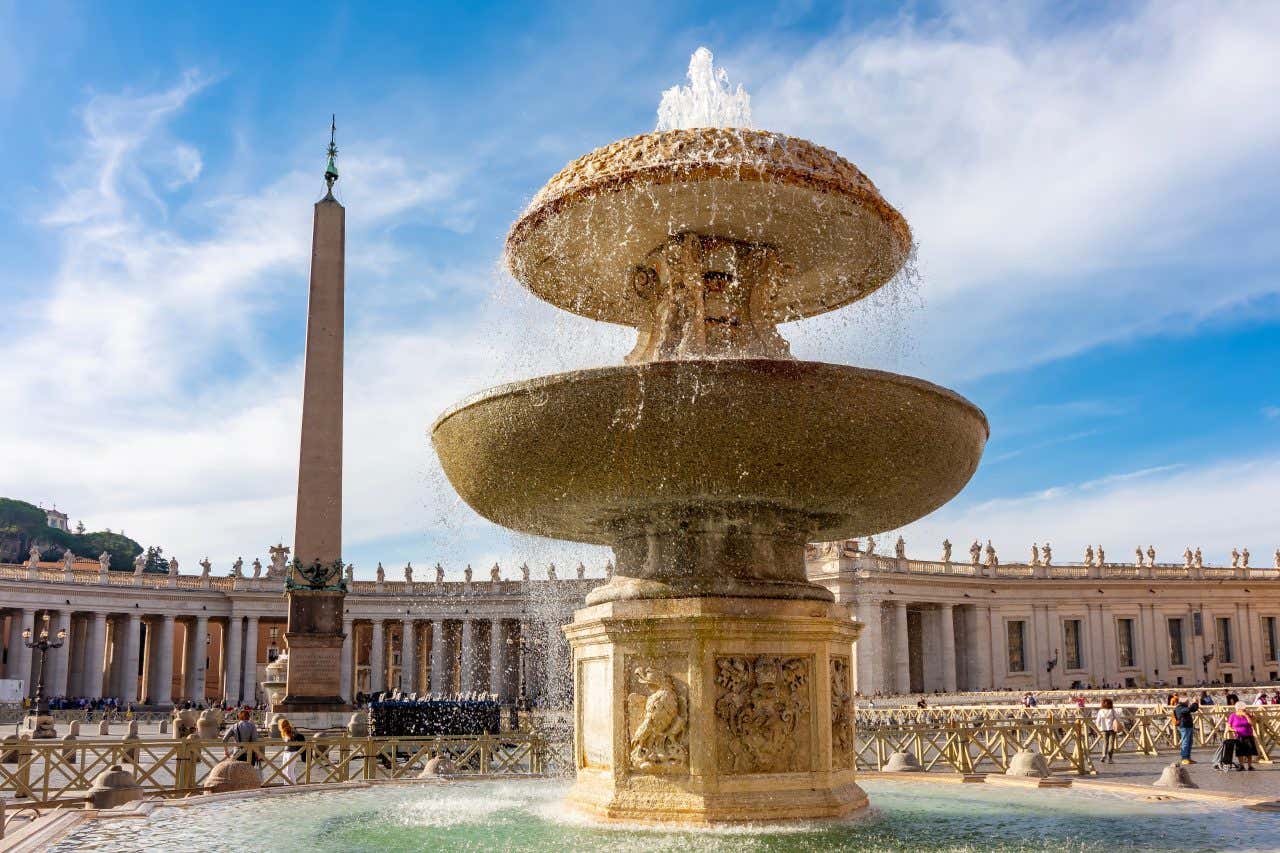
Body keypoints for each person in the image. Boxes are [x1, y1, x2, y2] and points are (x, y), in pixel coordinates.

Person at [1229, 702, 1258, 771]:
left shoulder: (1247, 715)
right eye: (1242, 710)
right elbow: (1229, 726)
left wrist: (1247, 716)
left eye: (1244, 709)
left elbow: (1251, 724)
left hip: (1248, 735)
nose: (1244, 711)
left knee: (1249, 751)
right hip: (1239, 736)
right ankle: (1241, 765)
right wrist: (1234, 730)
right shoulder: (1233, 716)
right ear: (1238, 709)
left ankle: (1250, 765)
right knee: (1240, 751)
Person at [1172, 695, 1200, 765]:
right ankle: (1184, 758)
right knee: (1185, 742)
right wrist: (1194, 703)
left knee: (1189, 742)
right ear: (1184, 702)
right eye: (1187, 702)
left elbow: (1193, 709)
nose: (1188, 703)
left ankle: (1188, 758)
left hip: (1189, 726)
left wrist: (1196, 703)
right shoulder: (1179, 708)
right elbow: (1189, 710)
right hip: (1184, 727)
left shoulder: (1184, 707)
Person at [278, 718, 306, 784]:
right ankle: (286, 785)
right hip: (286, 752)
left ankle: (293, 786)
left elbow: (295, 738)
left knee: (289, 771)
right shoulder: (284, 732)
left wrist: (291, 733)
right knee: (284, 771)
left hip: (292, 752)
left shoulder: (291, 731)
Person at [1095, 698, 1120, 764]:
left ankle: (1103, 755)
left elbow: (1097, 721)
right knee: (1111, 744)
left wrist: (1099, 728)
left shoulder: (1100, 711)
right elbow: (1118, 718)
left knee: (1105, 743)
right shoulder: (1112, 711)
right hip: (1112, 729)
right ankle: (1110, 758)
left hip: (1103, 729)